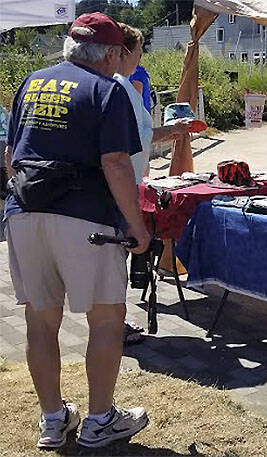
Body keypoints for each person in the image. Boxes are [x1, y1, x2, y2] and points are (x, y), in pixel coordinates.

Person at [4, 12, 151, 449]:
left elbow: (11, 153)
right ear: (109, 54)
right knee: (107, 318)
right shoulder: (106, 90)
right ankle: (101, 419)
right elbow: (116, 163)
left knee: (39, 320)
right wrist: (136, 226)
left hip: (24, 211)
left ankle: (52, 417)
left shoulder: (32, 82)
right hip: (87, 218)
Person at [113, 23, 190, 343]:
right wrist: (170, 131)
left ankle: (113, 321)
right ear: (124, 52)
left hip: (125, 178)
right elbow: (134, 140)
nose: (142, 56)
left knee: (116, 257)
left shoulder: (121, 85)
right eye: (140, 50)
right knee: (116, 258)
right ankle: (114, 324)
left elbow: (139, 137)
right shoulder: (119, 88)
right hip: (121, 182)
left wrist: (169, 132)